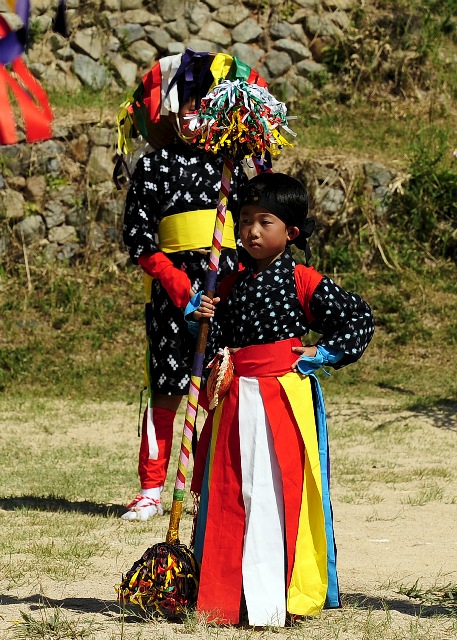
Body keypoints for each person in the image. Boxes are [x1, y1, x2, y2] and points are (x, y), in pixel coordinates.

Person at [186, 172, 375, 626]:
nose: (250, 230)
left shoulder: (303, 279)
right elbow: (214, 345)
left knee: (275, 491)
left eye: (263, 220)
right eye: (244, 219)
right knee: (233, 491)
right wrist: (201, 318)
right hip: (235, 400)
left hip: (282, 398)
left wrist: (321, 353)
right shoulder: (226, 286)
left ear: (289, 231)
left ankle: (276, 596)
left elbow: (358, 319)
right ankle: (227, 596)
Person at [121, 92, 248, 521]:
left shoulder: (235, 165)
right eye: (188, 106)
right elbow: (138, 241)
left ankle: (208, 489)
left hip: (227, 291)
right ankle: (151, 489)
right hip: (174, 296)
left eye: (204, 107)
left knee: (224, 390)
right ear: (172, 112)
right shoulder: (153, 166)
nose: (196, 117)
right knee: (166, 391)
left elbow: (253, 232)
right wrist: (181, 289)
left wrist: (236, 286)